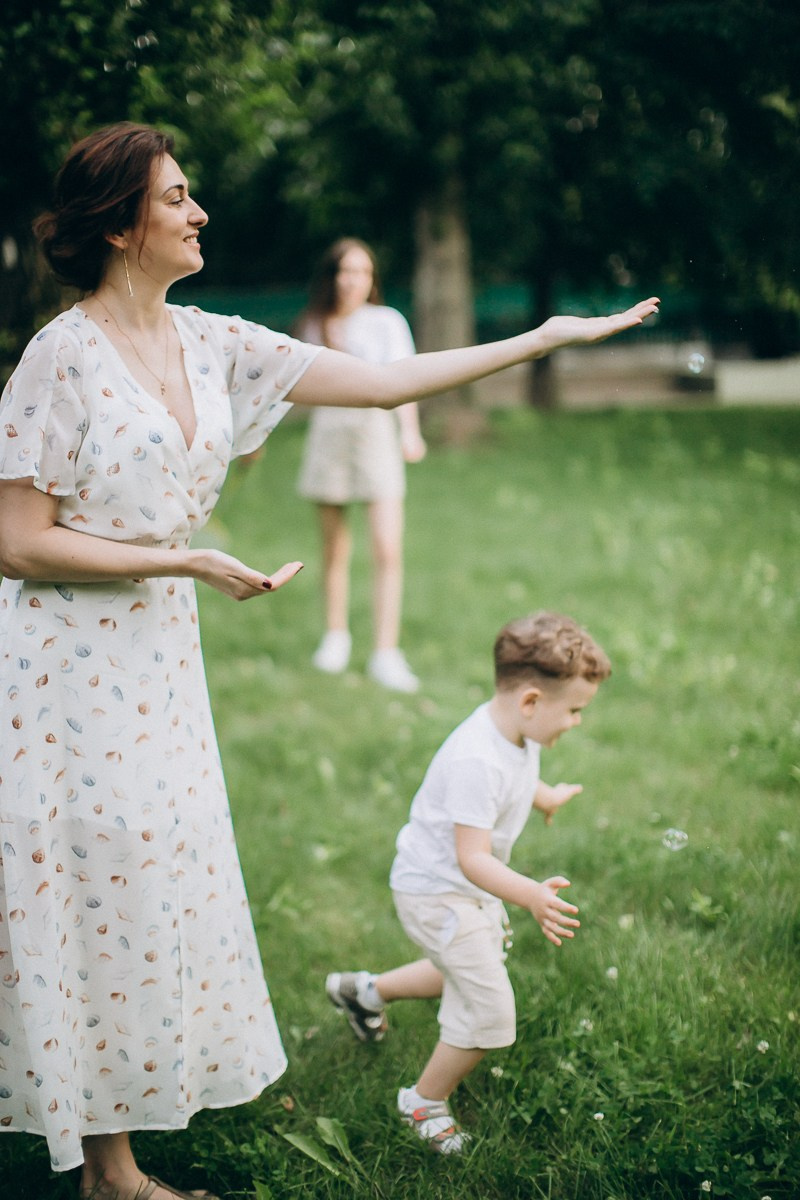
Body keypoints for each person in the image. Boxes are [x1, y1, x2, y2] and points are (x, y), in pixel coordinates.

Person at [0, 119, 657, 1200]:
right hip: (59, 670)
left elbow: (388, 386)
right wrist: (183, 559)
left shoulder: (212, 340)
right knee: (86, 885)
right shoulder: (57, 357)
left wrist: (540, 337)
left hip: (155, 665)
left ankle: (111, 1164)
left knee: (141, 887)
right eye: (175, 199)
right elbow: (19, 539)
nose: (199, 212)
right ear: (119, 225)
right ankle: (109, 1170)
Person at [325, 611, 611, 1154]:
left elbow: (513, 775)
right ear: (530, 701)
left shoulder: (509, 731)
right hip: (438, 893)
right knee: (488, 1008)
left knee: (458, 970)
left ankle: (363, 993)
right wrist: (529, 893)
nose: (576, 722)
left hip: (450, 887)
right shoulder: (475, 759)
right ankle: (423, 1102)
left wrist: (542, 794)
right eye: (574, 711)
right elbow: (473, 858)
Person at [296, 237, 426, 693]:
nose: (353, 281)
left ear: (372, 280)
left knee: (387, 548)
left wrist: (410, 432)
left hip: (377, 435)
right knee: (334, 547)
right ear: (332, 276)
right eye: (345, 271)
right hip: (330, 434)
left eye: (363, 272)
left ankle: (386, 652)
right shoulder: (316, 325)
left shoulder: (387, 321)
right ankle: (336, 637)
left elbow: (403, 381)